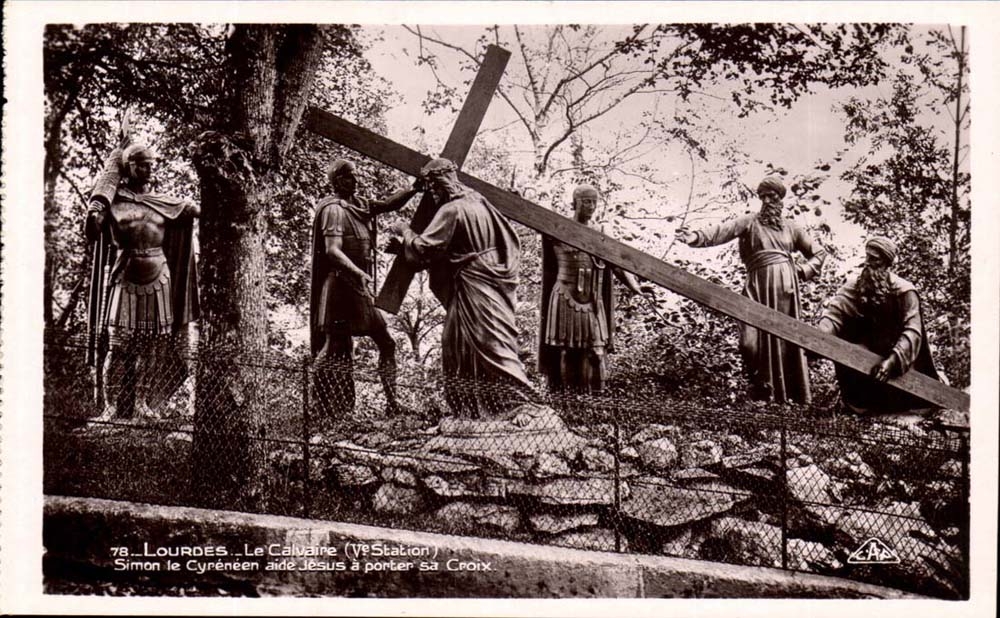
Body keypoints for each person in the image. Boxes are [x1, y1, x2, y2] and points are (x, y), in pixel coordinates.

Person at [386, 157, 536, 418]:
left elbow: (425, 248)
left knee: (490, 342)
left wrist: (404, 230)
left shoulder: (451, 210)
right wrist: (404, 249)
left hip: (476, 284)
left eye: (433, 190)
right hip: (487, 279)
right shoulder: (480, 201)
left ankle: (522, 402)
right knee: (458, 342)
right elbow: (455, 250)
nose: (432, 196)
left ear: (441, 184)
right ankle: (474, 411)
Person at [676, 176, 826, 404]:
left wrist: (803, 271)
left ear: (780, 199)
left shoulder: (791, 228)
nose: (767, 200)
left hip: (785, 286)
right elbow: (721, 231)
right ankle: (760, 387)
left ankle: (782, 401)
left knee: (786, 342)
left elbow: (819, 253)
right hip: (757, 285)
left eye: (771, 196)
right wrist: (695, 237)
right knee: (749, 344)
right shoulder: (750, 222)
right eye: (763, 196)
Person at [85, 130, 199, 421]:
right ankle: (110, 408)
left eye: (152, 163)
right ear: (128, 165)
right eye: (142, 163)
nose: (149, 168)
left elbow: (200, 212)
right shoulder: (113, 202)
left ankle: (141, 405)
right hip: (126, 278)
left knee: (152, 348)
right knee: (118, 346)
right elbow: (92, 232)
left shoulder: (166, 203)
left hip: (160, 277)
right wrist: (95, 210)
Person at [310, 159, 419, 418]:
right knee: (333, 346)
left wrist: (415, 188)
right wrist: (358, 272)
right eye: (349, 177)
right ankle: (316, 401)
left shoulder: (360, 205)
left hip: (360, 288)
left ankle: (392, 403)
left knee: (387, 343)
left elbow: (390, 204)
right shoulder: (333, 210)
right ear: (337, 181)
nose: (355, 181)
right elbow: (333, 251)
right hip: (340, 287)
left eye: (356, 176)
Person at [538, 184, 646, 395]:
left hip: (590, 301)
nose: (591, 206)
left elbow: (616, 262)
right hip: (564, 295)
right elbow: (529, 215)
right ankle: (564, 399)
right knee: (565, 351)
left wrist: (635, 287)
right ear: (575, 202)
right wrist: (521, 196)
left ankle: (591, 399)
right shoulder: (558, 227)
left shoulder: (600, 233)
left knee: (596, 351)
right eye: (586, 201)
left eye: (594, 202)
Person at [817, 237, 942, 415]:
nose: (868, 263)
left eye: (874, 259)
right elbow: (835, 313)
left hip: (894, 361)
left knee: (901, 401)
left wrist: (892, 361)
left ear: (886, 262)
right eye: (867, 257)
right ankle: (861, 403)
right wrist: (819, 336)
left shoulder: (905, 291)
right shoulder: (855, 285)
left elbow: (913, 332)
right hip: (864, 357)